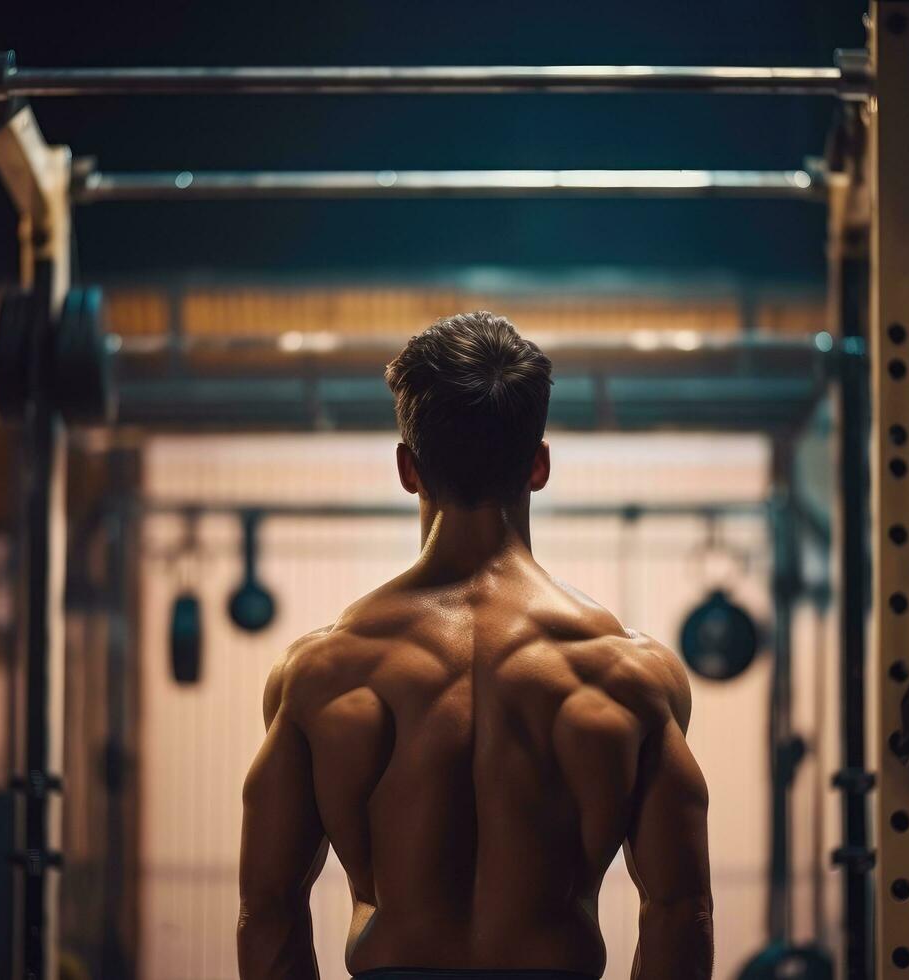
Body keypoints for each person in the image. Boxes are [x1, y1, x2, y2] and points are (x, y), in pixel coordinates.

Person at [238, 312, 713, 980]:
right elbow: (678, 910)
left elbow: (269, 910)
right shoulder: (627, 676)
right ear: (539, 465)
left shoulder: (323, 674)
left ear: (408, 468)